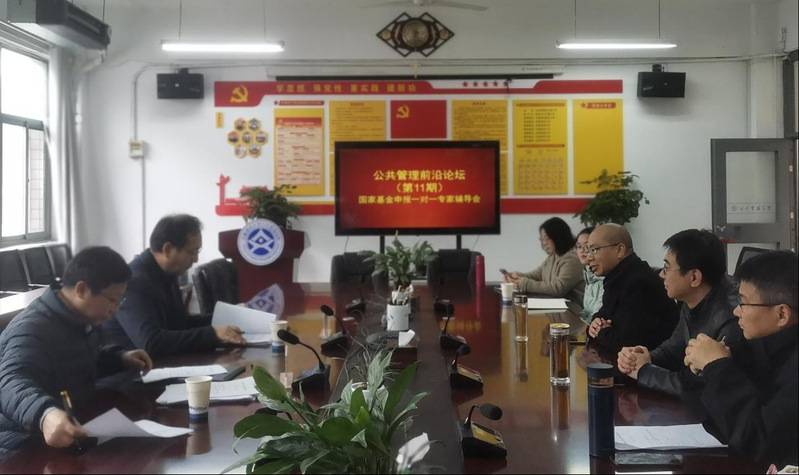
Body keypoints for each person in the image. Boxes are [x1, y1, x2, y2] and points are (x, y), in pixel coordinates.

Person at [0, 246, 152, 458]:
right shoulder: (32, 329)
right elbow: (9, 382)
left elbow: (75, 362)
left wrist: (120, 358)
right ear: (81, 290)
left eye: (120, 301)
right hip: (22, 445)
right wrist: (45, 415)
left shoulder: (79, 318)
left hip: (70, 433)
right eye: (112, 300)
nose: (115, 309)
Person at [682, 250, 797, 468]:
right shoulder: (756, 344)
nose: (736, 311)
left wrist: (717, 367)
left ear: (782, 314)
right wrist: (699, 370)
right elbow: (719, 422)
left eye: (743, 303)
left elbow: (759, 441)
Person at [617, 229, 742, 395]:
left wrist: (645, 372)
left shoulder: (731, 319)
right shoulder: (693, 299)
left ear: (694, 277)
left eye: (667, 268)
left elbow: (701, 388)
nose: (662, 275)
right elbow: (673, 350)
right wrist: (640, 358)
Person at [102, 214, 245, 357]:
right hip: (133, 369)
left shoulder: (167, 273)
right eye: (192, 252)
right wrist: (213, 334)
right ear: (168, 249)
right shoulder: (134, 282)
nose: (196, 259)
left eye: (197, 252)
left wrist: (228, 316)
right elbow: (151, 342)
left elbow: (179, 324)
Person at [586, 224, 679, 353]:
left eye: (594, 250)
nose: (589, 258)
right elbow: (605, 314)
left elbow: (629, 344)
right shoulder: (618, 277)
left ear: (620, 250)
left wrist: (601, 332)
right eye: (588, 251)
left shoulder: (639, 283)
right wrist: (595, 323)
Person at [504, 217, 585, 303]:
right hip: (558, 305)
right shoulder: (553, 256)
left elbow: (558, 288)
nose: (544, 243)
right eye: (542, 239)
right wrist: (515, 276)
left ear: (558, 237)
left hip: (574, 308)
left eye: (547, 238)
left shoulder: (572, 258)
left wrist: (525, 284)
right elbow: (537, 275)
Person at [576, 226, 603, 325]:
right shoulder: (588, 274)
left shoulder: (602, 277)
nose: (582, 250)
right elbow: (587, 313)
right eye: (579, 246)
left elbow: (599, 317)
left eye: (587, 246)